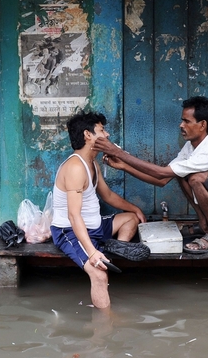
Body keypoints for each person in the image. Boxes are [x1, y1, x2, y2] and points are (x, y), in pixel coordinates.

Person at [93, 96, 208, 253]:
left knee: (197, 178)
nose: (181, 125)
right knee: (181, 174)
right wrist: (124, 166)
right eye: (182, 120)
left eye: (187, 121)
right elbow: (162, 179)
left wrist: (118, 152)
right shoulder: (191, 147)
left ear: (202, 125)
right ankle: (205, 222)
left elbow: (161, 172)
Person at [50, 111, 149, 309]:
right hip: (70, 231)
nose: (107, 135)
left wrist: (135, 209)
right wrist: (92, 252)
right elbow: (73, 215)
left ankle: (116, 247)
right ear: (88, 135)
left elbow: (108, 196)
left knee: (130, 218)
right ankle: (105, 328)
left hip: (95, 225)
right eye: (102, 130)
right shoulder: (75, 167)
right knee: (99, 274)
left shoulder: (91, 163)